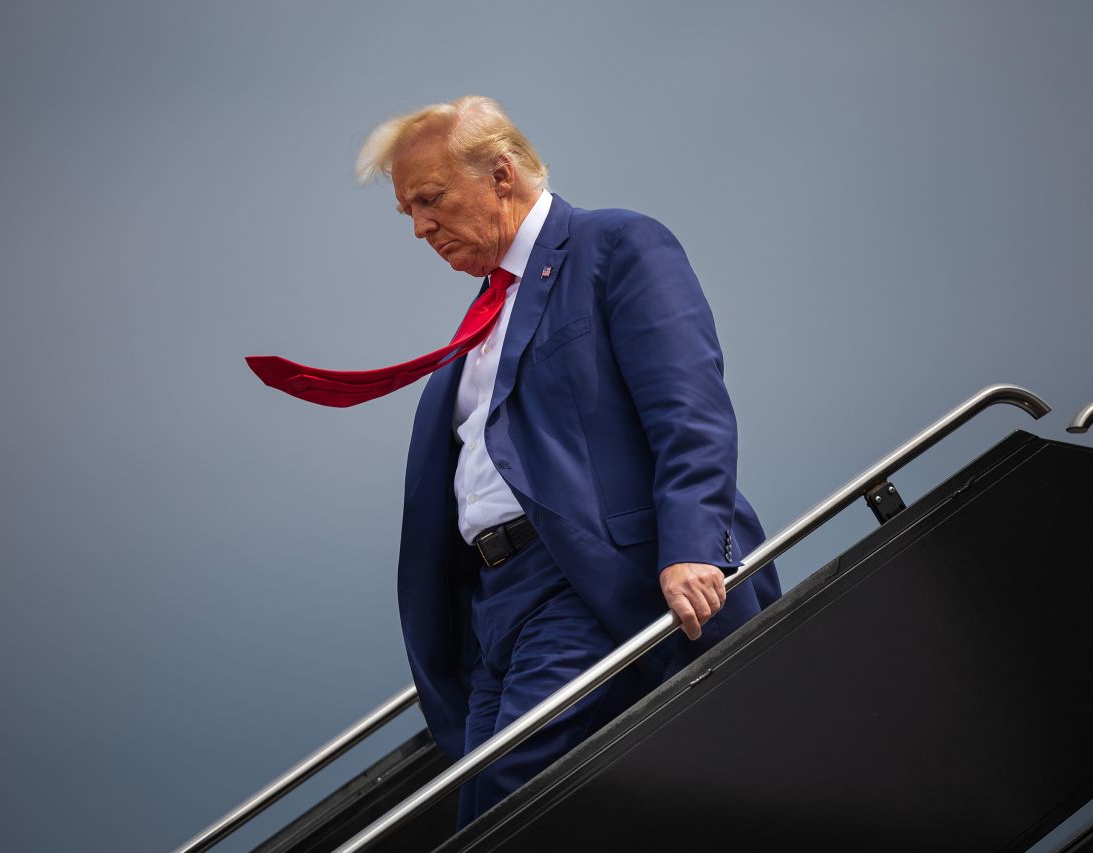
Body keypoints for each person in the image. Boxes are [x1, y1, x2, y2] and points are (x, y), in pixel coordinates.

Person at [249, 95, 781, 826]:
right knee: (481, 806)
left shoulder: (614, 246)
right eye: (407, 212)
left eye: (429, 200)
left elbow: (689, 410)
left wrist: (691, 548)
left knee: (511, 804)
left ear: (501, 176)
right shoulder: (484, 317)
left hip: (589, 577)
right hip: (495, 611)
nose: (419, 227)